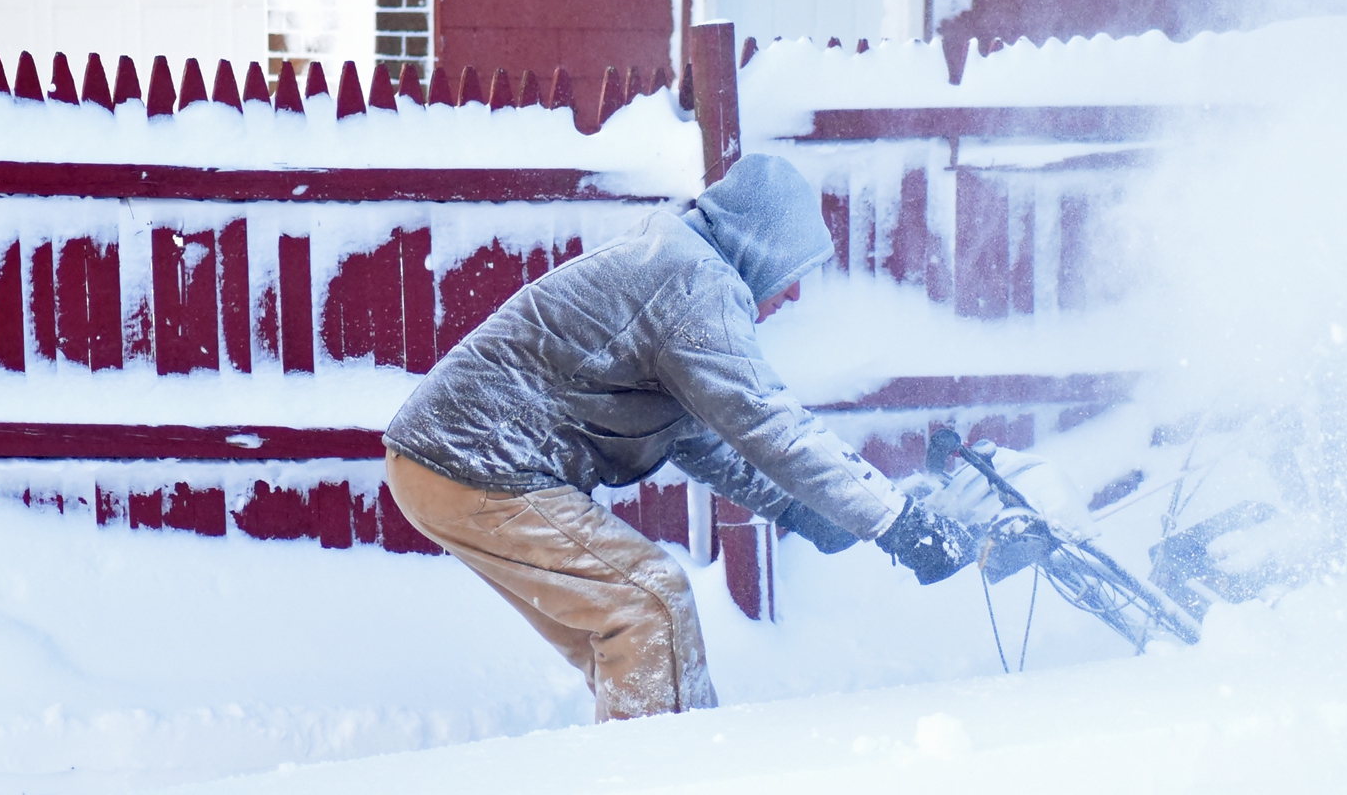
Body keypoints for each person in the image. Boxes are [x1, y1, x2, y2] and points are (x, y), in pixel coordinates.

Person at [383, 154, 978, 722]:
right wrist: (895, 521)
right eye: (795, 269)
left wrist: (803, 510)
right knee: (648, 607)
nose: (796, 293)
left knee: (626, 635)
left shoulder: (675, 268)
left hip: (449, 463)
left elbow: (702, 438)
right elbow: (770, 423)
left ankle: (668, 778)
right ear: (762, 246)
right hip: (475, 463)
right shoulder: (694, 284)